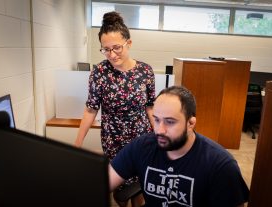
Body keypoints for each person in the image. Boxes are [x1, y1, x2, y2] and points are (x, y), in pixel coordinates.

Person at [109, 86, 249, 207]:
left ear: (191, 123)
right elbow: (104, 183)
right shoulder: (142, 146)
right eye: (156, 120)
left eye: (169, 122)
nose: (159, 130)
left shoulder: (220, 164)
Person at [74, 11, 155, 206]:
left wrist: (160, 134)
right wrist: (76, 144)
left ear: (129, 43)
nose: (112, 54)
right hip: (113, 141)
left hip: (142, 138)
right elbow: (91, 109)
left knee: (140, 189)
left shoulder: (145, 71)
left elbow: (150, 106)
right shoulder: (99, 72)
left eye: (117, 48)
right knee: (119, 191)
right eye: (106, 49)